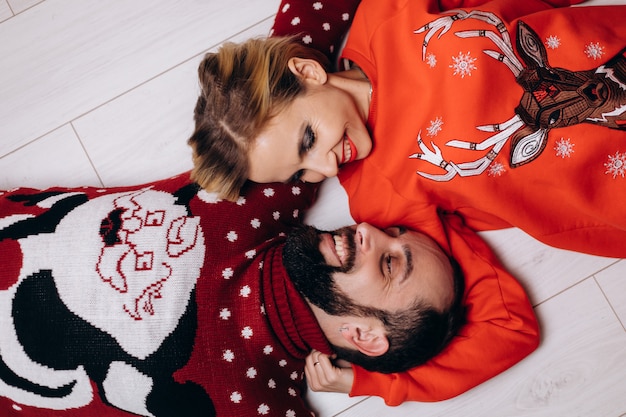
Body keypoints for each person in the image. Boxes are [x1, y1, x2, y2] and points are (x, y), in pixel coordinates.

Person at [0, 172, 492, 416]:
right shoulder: (270, 187)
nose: (366, 228)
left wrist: (372, 385)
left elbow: (511, 329)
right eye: (393, 232)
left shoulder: (258, 404)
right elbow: (303, 50)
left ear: (365, 334)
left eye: (388, 263)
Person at [188, 0, 626, 262]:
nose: (323, 166)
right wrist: (369, 381)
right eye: (299, 175)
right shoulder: (378, 200)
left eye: (307, 140)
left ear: (306, 72)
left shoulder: (389, 17)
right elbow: (492, 316)